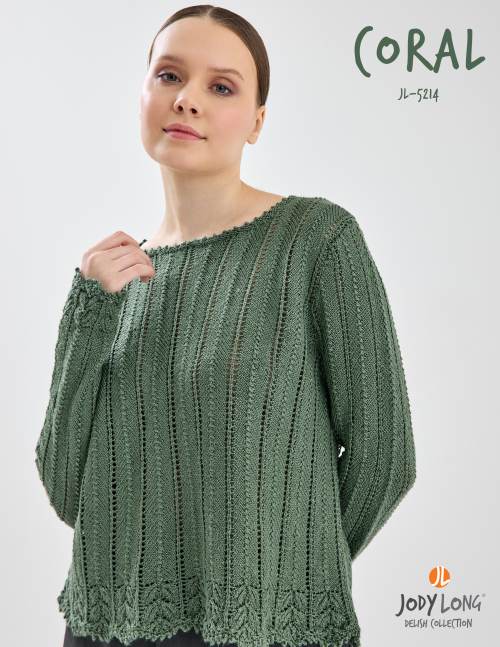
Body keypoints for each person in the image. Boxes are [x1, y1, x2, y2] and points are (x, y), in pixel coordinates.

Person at [35, 5, 416, 647]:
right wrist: (86, 313)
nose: (187, 99)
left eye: (221, 86)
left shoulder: (315, 241)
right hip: (106, 626)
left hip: (266, 628)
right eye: (169, 76)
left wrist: (291, 574)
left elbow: (385, 454)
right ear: (142, 94)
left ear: (257, 122)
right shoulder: (112, 281)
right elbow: (68, 490)